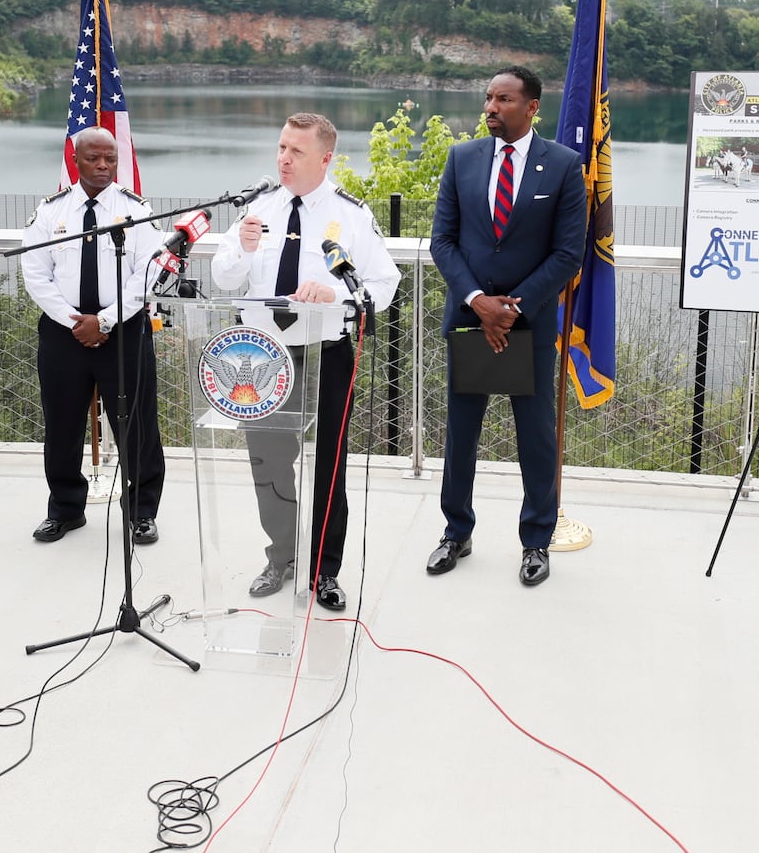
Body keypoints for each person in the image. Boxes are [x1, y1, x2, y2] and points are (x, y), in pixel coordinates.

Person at [211, 113, 400, 611]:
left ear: (325, 158)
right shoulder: (259, 208)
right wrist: (241, 249)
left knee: (328, 466)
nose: (283, 159)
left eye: (295, 151)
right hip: (261, 356)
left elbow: (384, 283)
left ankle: (325, 569)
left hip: (326, 353)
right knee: (269, 462)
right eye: (280, 147)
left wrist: (336, 290)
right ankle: (281, 557)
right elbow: (225, 279)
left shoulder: (352, 216)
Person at [426, 66, 587, 587]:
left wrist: (511, 309)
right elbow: (443, 243)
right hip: (472, 321)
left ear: (531, 107)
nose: (491, 108)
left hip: (529, 324)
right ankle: (456, 532)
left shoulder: (563, 167)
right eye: (488, 99)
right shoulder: (462, 158)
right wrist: (479, 302)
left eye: (503, 99)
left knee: (535, 438)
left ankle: (536, 541)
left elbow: (568, 253)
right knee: (461, 434)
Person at [20, 126, 165, 546]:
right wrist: (74, 321)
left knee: (137, 425)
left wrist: (103, 321)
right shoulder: (52, 212)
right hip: (64, 334)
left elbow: (148, 273)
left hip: (124, 331)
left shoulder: (136, 209)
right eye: (93, 159)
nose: (103, 166)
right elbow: (35, 272)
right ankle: (65, 510)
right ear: (75, 161)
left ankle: (141, 512)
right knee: (62, 424)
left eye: (110, 159)